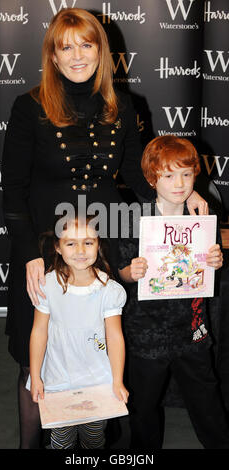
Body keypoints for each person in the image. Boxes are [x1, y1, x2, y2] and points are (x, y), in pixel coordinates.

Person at [1, 8, 207, 448]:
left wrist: (181, 193)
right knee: (36, 353)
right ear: (53, 57)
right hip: (46, 244)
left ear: (101, 51)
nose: (77, 55)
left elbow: (137, 177)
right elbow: (13, 189)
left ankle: (96, 445)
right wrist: (31, 255)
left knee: (101, 346)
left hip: (105, 241)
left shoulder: (124, 106)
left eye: (86, 44)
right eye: (66, 46)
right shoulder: (28, 107)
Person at [118, 135, 229, 449]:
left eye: (186, 174)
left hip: (192, 329)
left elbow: (211, 261)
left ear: (196, 175)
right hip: (147, 332)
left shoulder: (203, 216)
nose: (179, 183)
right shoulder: (132, 219)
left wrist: (216, 261)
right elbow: (120, 271)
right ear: (153, 179)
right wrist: (130, 272)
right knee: (143, 406)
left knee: (206, 398)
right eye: (168, 175)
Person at [27, 213, 128, 449]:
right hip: (57, 376)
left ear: (98, 244)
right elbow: (39, 332)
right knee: (61, 440)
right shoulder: (47, 285)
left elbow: (114, 336)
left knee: (94, 439)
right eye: (71, 243)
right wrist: (36, 376)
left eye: (88, 242)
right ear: (58, 247)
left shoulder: (108, 290)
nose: (80, 250)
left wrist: (117, 380)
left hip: (97, 378)